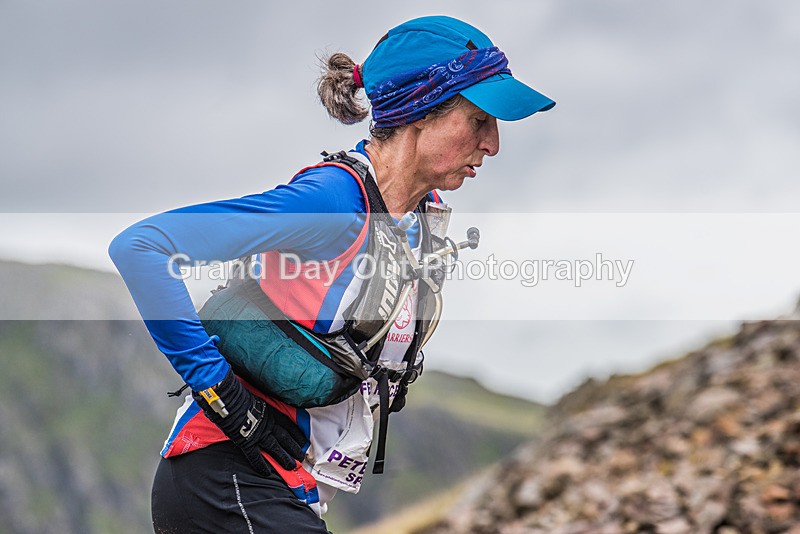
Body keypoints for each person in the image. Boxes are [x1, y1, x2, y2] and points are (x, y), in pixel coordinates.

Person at [109, 15, 554, 533]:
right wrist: (218, 390)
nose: (493, 143)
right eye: (478, 120)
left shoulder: (418, 218)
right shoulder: (333, 202)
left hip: (285, 488)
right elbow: (141, 248)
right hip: (220, 479)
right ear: (419, 113)